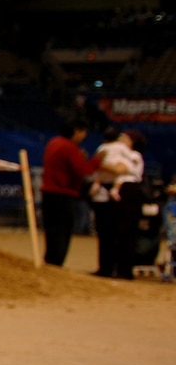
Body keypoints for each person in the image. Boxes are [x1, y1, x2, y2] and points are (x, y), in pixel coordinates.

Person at [40, 120, 98, 268]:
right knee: (63, 230)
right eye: (83, 132)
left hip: (48, 192)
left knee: (52, 229)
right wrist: (97, 160)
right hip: (63, 194)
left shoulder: (53, 143)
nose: (84, 135)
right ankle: (56, 261)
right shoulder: (70, 148)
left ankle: (51, 260)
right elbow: (82, 170)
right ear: (76, 131)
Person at [92, 127, 145, 279]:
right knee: (107, 231)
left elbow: (119, 170)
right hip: (111, 190)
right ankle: (106, 267)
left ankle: (124, 270)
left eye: (125, 138)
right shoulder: (113, 150)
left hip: (128, 190)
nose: (121, 139)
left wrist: (100, 164)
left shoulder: (133, 155)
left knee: (125, 232)